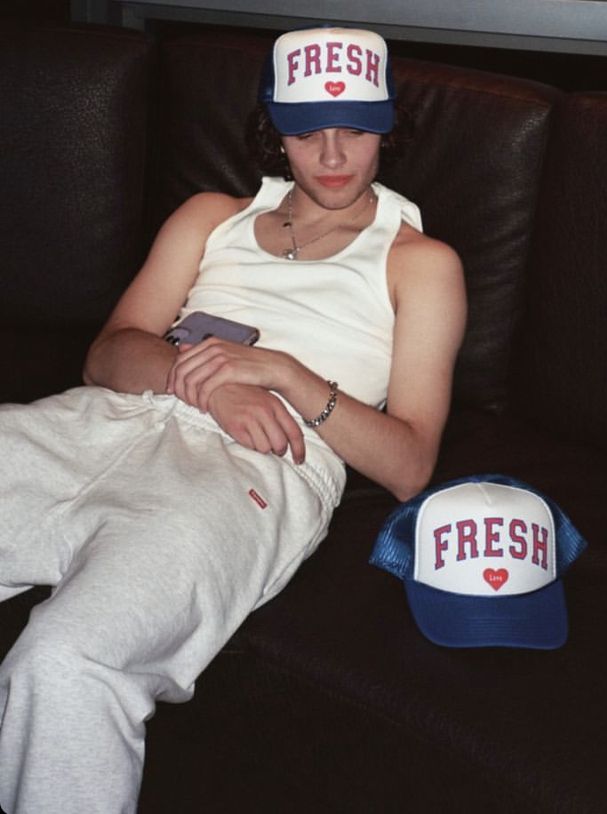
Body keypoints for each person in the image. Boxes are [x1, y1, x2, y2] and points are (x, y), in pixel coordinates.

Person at [0, 26, 466, 813]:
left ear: (388, 126)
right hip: (106, 420)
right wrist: (209, 385)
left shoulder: (420, 262)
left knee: (66, 659)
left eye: (354, 128)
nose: (331, 155)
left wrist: (282, 373)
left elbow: (410, 462)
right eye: (305, 130)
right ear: (272, 129)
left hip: (250, 470)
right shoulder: (209, 215)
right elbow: (110, 353)